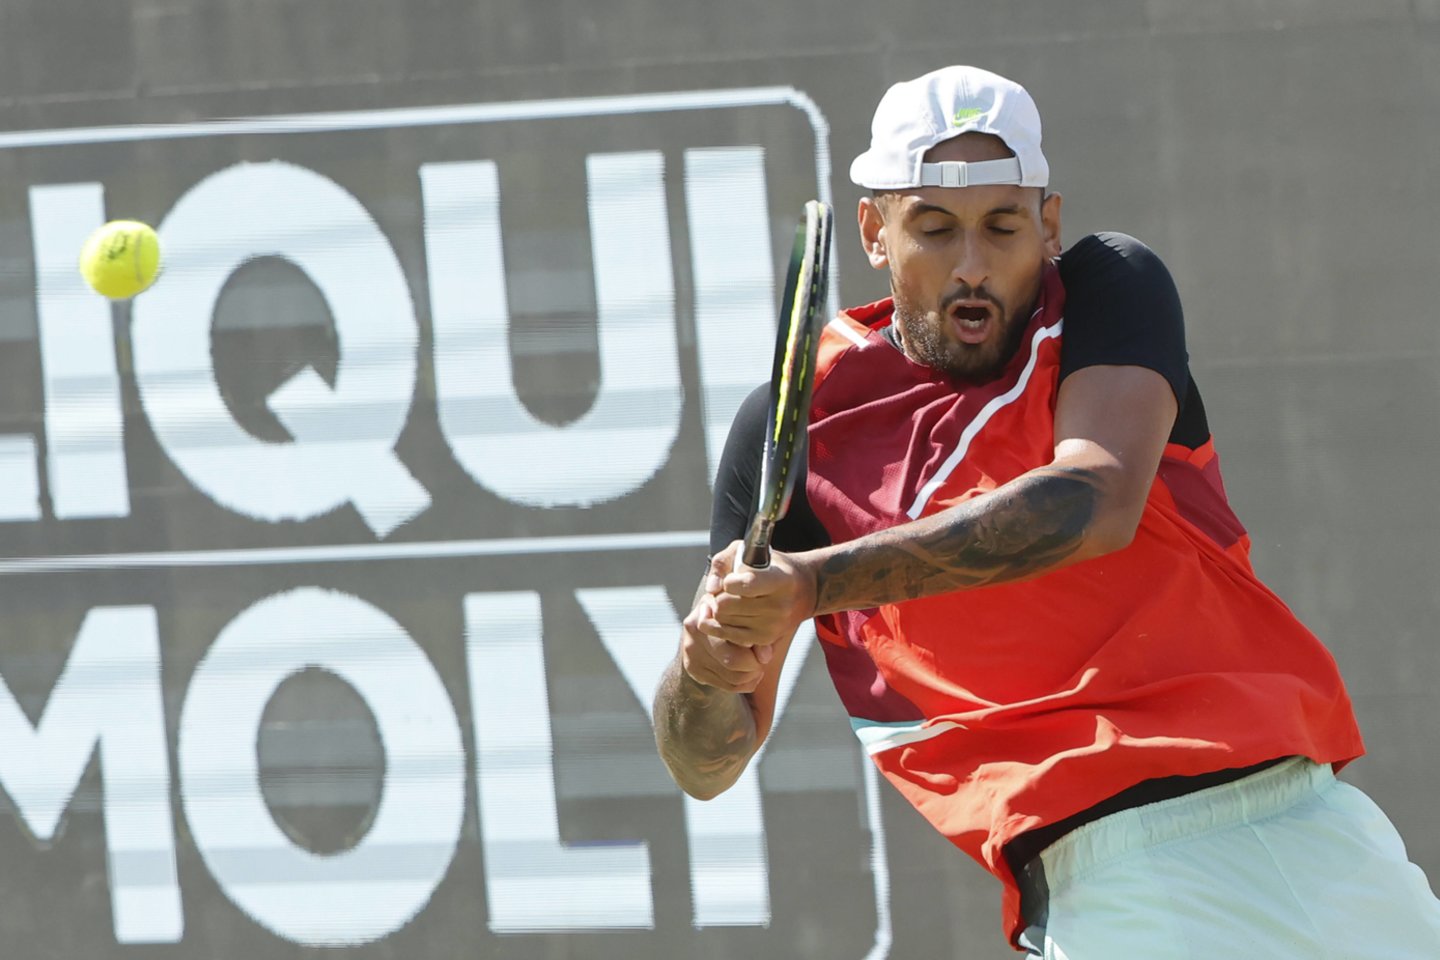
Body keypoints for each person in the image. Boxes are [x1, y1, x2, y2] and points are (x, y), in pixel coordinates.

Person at [652, 64, 1440, 956]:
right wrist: (707, 666)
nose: (973, 265)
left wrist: (813, 585)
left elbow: (1093, 500)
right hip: (1119, 886)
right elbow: (706, 762)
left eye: (1003, 225)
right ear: (875, 231)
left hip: (1322, 829)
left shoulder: (1107, 290)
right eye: (935, 228)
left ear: (1049, 225)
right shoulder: (793, 431)